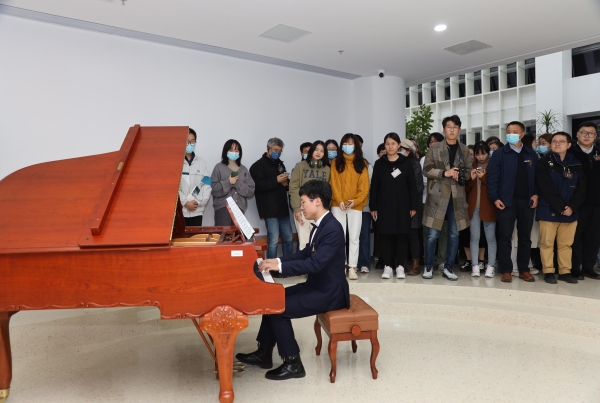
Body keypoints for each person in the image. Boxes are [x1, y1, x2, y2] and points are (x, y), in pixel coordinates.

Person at [236, 180, 349, 380]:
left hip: (329, 293)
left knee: (279, 309)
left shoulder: (332, 228)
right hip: (317, 286)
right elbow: (305, 254)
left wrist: (279, 268)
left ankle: (293, 363)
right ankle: (264, 353)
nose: (301, 206)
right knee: (272, 298)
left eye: (303, 202)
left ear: (317, 201)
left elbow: (315, 264)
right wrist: (277, 261)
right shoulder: (321, 225)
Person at [487, 121, 539, 283]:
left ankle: (524, 269)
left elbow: (538, 178)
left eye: (514, 131)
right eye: (508, 131)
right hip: (505, 201)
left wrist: (536, 194)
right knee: (505, 236)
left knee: (525, 237)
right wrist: (495, 198)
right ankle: (506, 270)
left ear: (522, 135)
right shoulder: (499, 154)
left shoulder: (531, 154)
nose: (511, 134)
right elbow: (492, 178)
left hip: (527, 201)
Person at [422, 116, 472, 281]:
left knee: (454, 234)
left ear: (459, 130)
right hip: (438, 195)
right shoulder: (435, 148)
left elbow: (467, 171)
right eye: (449, 127)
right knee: (432, 235)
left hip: (456, 197)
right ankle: (428, 266)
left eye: (455, 127)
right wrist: (445, 173)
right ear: (444, 129)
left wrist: (463, 175)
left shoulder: (464, 150)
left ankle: (449, 267)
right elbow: (426, 170)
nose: (452, 130)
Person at [536, 132, 585, 284]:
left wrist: (572, 206)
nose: (557, 144)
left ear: (569, 145)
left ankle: (565, 271)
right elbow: (545, 187)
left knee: (566, 244)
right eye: (554, 141)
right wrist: (561, 206)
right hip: (548, 209)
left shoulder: (576, 163)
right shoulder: (544, 162)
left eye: (561, 141)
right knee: (547, 243)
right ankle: (548, 271)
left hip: (570, 212)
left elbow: (581, 188)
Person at [370, 133, 417, 279]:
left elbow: (412, 186)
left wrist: (413, 206)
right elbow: (374, 187)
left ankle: (400, 267)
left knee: (402, 236)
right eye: (387, 144)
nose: (390, 146)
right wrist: (373, 206)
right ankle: (388, 267)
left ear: (398, 146)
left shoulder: (406, 163)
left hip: (403, 206)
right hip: (384, 206)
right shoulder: (379, 164)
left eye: (393, 143)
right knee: (385, 236)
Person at [330, 133, 370, 280]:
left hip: (355, 206)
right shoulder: (336, 162)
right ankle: (340, 267)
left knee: (354, 237)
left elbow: (364, 188)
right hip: (338, 205)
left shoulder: (362, 163)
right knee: (339, 237)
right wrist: (339, 200)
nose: (347, 146)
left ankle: (352, 267)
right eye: (345, 144)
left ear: (356, 146)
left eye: (350, 144)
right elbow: (333, 183)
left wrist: (355, 201)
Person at [250, 138, 293, 260]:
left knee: (288, 238)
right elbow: (258, 185)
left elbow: (285, 183)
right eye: (275, 150)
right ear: (268, 148)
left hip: (282, 208)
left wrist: (286, 183)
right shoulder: (257, 166)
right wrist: (276, 181)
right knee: (273, 240)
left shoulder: (280, 164)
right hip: (269, 209)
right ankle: (271, 267)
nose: (277, 153)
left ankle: (288, 265)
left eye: (280, 151)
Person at [569, 121, 600, 280]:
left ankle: (588, 267)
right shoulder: (570, 152)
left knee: (593, 237)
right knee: (574, 237)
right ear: (577, 134)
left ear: (595, 136)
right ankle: (574, 268)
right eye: (584, 132)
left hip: (596, 202)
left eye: (591, 133)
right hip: (576, 203)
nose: (587, 136)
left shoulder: (598, 152)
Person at [288, 140, 331, 249]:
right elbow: (293, 187)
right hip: (303, 209)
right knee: (304, 242)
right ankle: (305, 261)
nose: (318, 152)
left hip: (319, 210)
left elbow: (328, 191)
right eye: (316, 149)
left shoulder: (327, 169)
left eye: (322, 151)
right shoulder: (300, 166)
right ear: (311, 150)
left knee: (318, 242)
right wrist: (297, 208)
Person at [465, 141, 496, 277]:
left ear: (488, 153)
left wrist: (483, 178)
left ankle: (491, 266)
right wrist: (471, 179)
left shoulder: (493, 165)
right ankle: (475, 265)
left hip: (488, 207)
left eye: (483, 154)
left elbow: (495, 186)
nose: (481, 157)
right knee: (474, 237)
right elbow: (466, 189)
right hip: (473, 207)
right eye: (478, 154)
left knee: (491, 238)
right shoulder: (472, 166)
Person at [210, 139, 255, 226]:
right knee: (224, 233)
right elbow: (213, 189)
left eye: (236, 150)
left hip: (239, 210)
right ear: (225, 151)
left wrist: (237, 183)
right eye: (231, 150)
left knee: (238, 234)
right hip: (222, 208)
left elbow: (251, 191)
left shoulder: (244, 169)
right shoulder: (218, 167)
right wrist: (228, 182)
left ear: (240, 153)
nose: (234, 152)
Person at [422, 132, 447, 270]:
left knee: (444, 233)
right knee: (429, 234)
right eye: (430, 141)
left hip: (444, 200)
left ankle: (442, 260)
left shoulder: (445, 157)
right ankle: (428, 261)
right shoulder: (424, 159)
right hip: (428, 200)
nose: (433, 143)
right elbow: (425, 178)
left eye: (436, 141)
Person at [400, 138, 424, 276]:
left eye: (402, 149)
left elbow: (418, 187)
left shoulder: (415, 164)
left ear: (409, 151)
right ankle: (402, 262)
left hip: (413, 205)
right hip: (400, 205)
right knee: (402, 235)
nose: (400, 151)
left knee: (413, 235)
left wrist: (411, 204)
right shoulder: (398, 163)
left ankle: (415, 264)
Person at [179, 128, 212, 226]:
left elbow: (207, 185)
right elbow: (174, 188)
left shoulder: (201, 162)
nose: (189, 144)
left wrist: (197, 202)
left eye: (192, 141)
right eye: (187, 141)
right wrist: (185, 202)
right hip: (181, 211)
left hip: (197, 211)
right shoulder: (176, 163)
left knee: (196, 235)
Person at [354, 135, 374, 274]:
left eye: (358, 146)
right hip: (347, 207)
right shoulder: (341, 164)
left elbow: (369, 186)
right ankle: (351, 263)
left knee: (364, 236)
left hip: (364, 207)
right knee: (350, 236)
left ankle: (364, 263)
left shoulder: (367, 165)